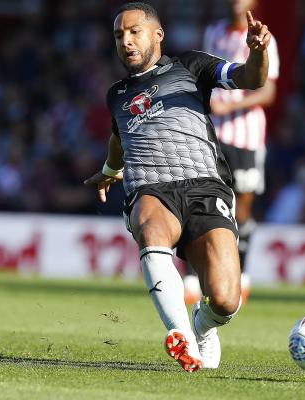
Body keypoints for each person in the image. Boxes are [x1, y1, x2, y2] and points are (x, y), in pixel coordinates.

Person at [83, 2, 272, 372]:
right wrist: (109, 170)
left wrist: (258, 52)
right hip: (151, 188)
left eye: (134, 32)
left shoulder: (191, 66)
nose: (126, 41)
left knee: (226, 299)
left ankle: (202, 325)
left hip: (205, 187)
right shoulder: (117, 94)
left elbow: (251, 79)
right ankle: (180, 334)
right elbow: (119, 140)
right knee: (150, 225)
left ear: (158, 34)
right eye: (119, 35)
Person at [183, 0, 280, 305]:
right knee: (199, 199)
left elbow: (268, 91)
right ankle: (191, 276)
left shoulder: (265, 37)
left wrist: (231, 105)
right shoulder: (213, 33)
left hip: (247, 136)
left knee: (243, 209)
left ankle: (242, 274)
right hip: (212, 133)